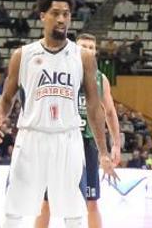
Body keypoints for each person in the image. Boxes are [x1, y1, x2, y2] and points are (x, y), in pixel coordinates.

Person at [0, 0, 118, 228]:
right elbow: (6, 98)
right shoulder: (22, 55)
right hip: (30, 137)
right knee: (13, 208)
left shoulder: (84, 57)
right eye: (55, 13)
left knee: (75, 212)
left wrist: (103, 151)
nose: (61, 19)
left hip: (68, 138)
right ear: (42, 16)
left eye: (66, 14)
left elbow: (94, 106)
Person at [35, 33, 121, 228]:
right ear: (75, 48)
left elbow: (109, 112)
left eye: (91, 47)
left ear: (96, 51)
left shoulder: (101, 79)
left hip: (88, 143)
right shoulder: (60, 74)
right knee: (47, 200)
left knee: (91, 201)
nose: (88, 50)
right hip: (60, 141)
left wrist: (115, 143)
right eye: (84, 46)